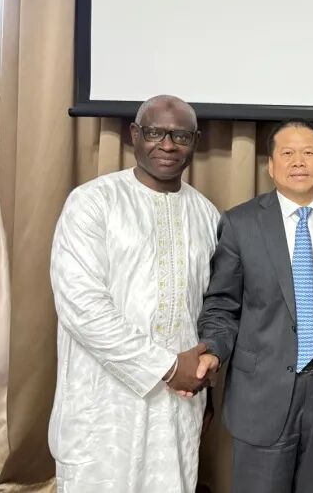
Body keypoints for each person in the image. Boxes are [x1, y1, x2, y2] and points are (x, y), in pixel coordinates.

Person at [49, 95, 219, 492]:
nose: (167, 145)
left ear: (195, 142)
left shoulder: (207, 215)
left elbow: (208, 309)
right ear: (134, 135)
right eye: (155, 132)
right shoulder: (92, 202)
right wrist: (165, 366)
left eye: (180, 136)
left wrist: (201, 378)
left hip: (178, 402)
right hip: (103, 402)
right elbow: (82, 308)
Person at [196, 120, 313, 492]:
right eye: (287, 153)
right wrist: (212, 350)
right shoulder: (241, 223)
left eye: (308, 153)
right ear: (271, 166)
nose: (298, 162)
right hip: (261, 389)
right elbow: (222, 304)